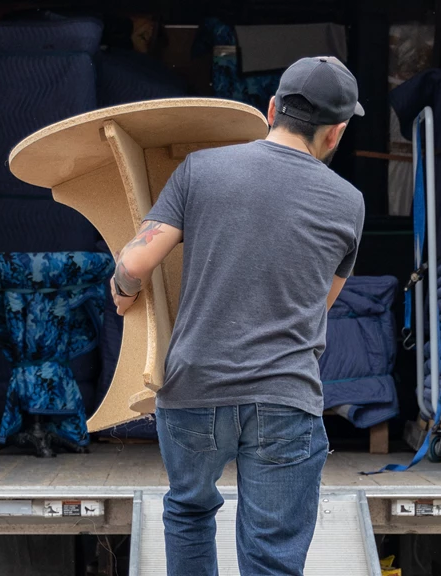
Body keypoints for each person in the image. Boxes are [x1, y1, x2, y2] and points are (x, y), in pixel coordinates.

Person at [109, 56, 366, 576]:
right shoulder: (350, 203)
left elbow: (134, 262)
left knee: (189, 511)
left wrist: (123, 291)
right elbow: (320, 305)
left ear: (271, 109)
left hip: (195, 389)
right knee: (271, 556)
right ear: (335, 133)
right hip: (285, 397)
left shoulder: (201, 169)